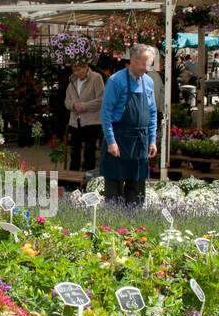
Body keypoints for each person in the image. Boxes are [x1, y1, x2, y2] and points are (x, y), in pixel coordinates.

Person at [100, 43, 159, 206]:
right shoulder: (115, 81)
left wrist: (152, 140)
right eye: (144, 64)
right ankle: (113, 227)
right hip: (119, 140)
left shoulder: (148, 82)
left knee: (137, 191)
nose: (146, 68)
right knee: (114, 191)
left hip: (140, 141)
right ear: (133, 60)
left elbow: (153, 112)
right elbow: (106, 114)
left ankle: (135, 226)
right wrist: (111, 141)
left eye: (149, 65)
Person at [64, 60, 104, 174]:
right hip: (75, 122)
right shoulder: (72, 81)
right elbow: (67, 102)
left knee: (89, 153)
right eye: (74, 70)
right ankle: (72, 182)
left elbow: (101, 100)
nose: (76, 73)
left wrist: (84, 106)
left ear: (86, 67)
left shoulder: (96, 78)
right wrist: (73, 105)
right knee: (74, 153)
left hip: (92, 122)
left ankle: (88, 180)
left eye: (79, 70)